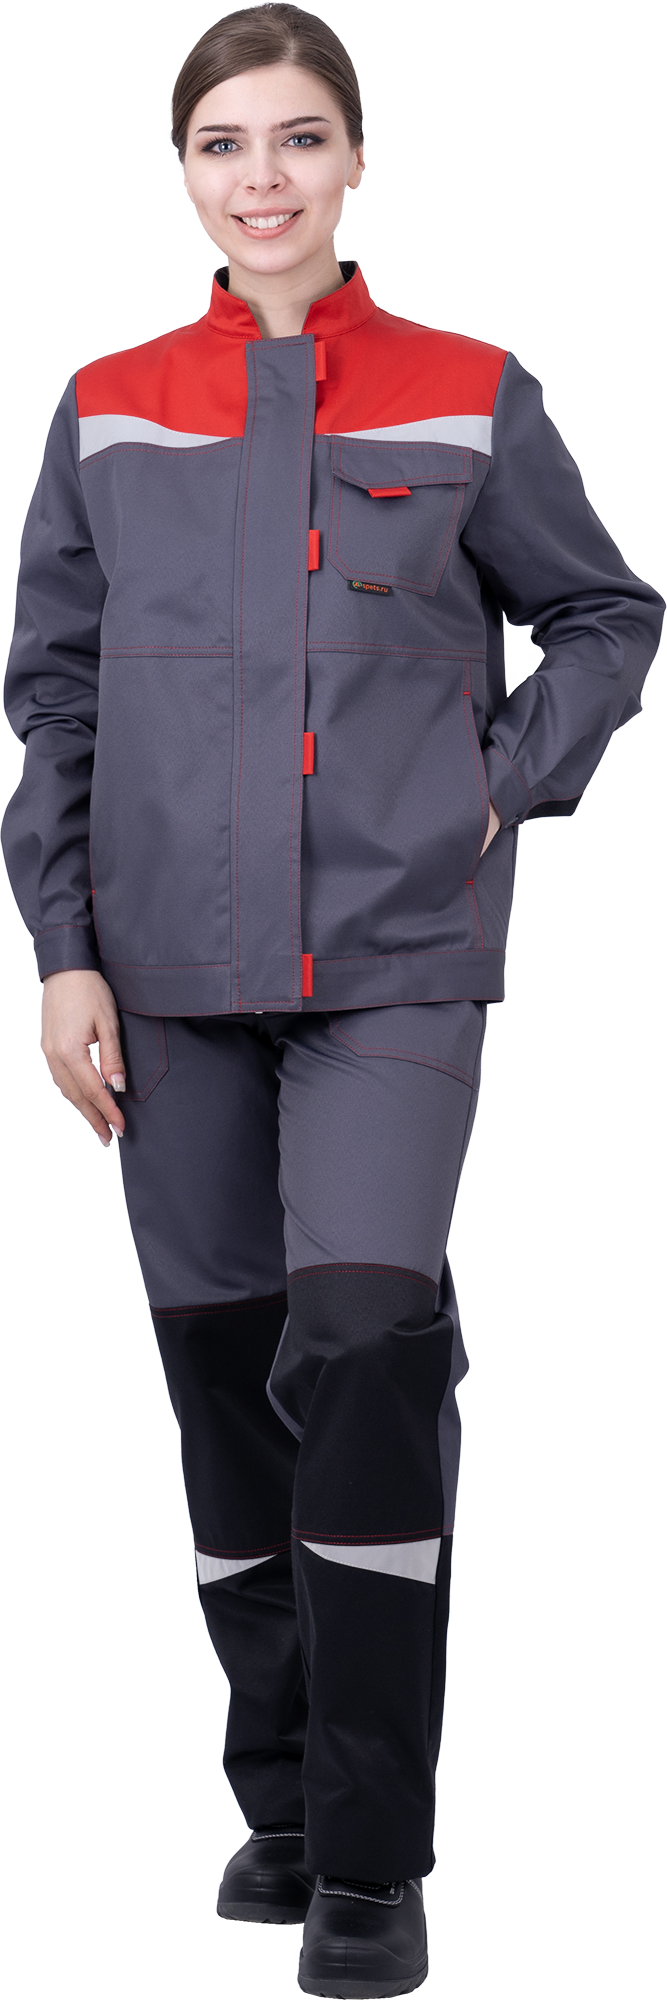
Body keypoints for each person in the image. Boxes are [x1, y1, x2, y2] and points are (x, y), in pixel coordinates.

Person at [2, 7, 663, 1996]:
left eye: (299, 137)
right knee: (220, 1384)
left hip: (394, 958)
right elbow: (57, 701)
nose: (263, 177)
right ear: (187, 175)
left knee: (368, 1340)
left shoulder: (467, 393)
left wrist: (496, 783)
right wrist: (63, 948)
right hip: (164, 969)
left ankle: (372, 1859)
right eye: (224, 143)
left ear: (358, 161)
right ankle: (279, 1809)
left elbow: (603, 616)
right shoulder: (109, 408)